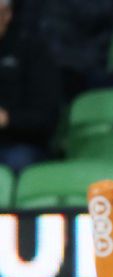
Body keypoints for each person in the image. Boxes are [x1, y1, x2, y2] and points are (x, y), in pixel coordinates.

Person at [0, 0, 60, 173]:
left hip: (20, 144)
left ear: (7, 14)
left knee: (18, 160)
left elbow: (47, 117)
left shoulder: (32, 50)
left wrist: (7, 119)